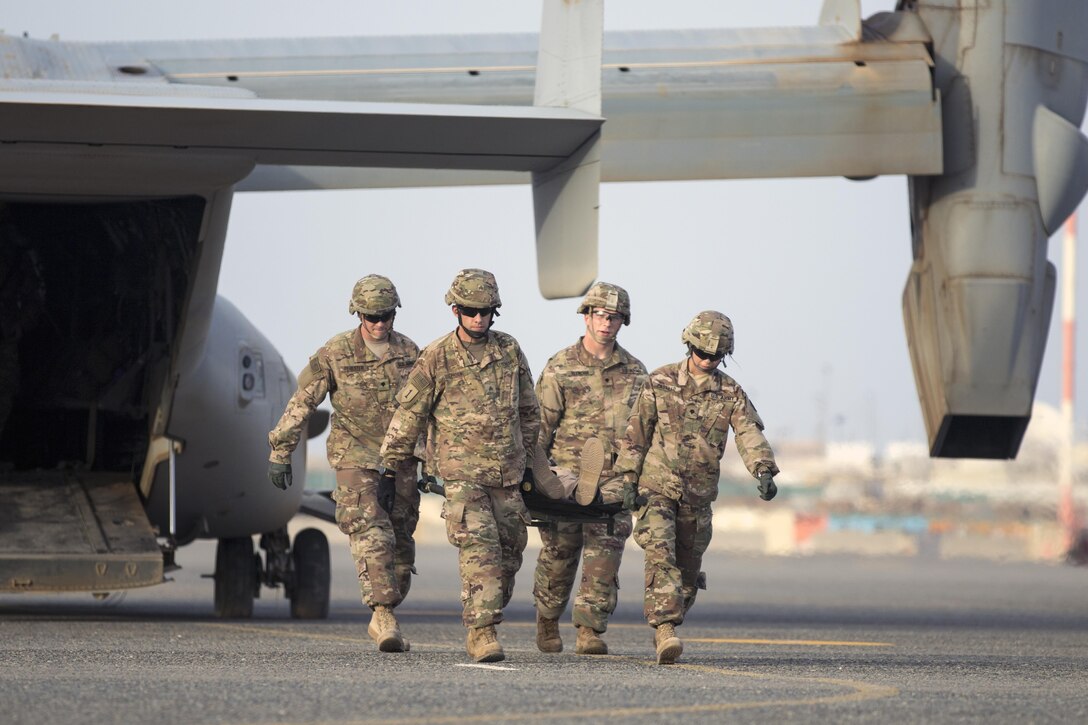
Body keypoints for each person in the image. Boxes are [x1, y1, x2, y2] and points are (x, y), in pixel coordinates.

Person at [379, 268, 539, 663]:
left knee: (510, 551)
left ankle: (485, 611)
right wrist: (389, 467)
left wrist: (532, 461)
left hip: (507, 475)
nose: (479, 318)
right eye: (470, 311)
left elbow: (529, 409)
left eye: (486, 311)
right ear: (455, 310)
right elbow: (409, 414)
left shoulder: (510, 350)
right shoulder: (436, 357)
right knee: (479, 552)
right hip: (462, 476)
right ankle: (482, 633)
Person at [615, 310, 779, 665]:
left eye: (716, 355)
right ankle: (665, 630)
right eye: (702, 352)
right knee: (661, 556)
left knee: (687, 573)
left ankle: (673, 611)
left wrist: (763, 470)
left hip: (698, 496)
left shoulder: (730, 393)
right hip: (656, 487)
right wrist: (627, 479)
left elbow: (749, 432)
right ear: (689, 345)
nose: (707, 360)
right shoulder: (659, 381)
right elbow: (636, 433)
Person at [268, 275, 421, 653]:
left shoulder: (412, 353)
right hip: (355, 457)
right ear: (358, 314)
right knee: (371, 532)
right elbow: (303, 401)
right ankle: (382, 614)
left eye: (386, 315)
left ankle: (388, 602)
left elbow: (430, 410)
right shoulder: (335, 353)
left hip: (400, 462)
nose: (379, 324)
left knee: (400, 545)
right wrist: (280, 449)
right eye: (371, 316)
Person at [532, 282, 648, 655]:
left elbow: (643, 430)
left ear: (622, 322)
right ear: (586, 316)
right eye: (600, 314)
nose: (606, 323)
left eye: (614, 317)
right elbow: (539, 428)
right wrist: (536, 479)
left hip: (613, 481)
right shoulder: (561, 366)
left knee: (605, 554)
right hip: (564, 478)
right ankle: (548, 619)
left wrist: (636, 478)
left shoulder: (635, 372)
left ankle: (589, 629)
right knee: (559, 555)